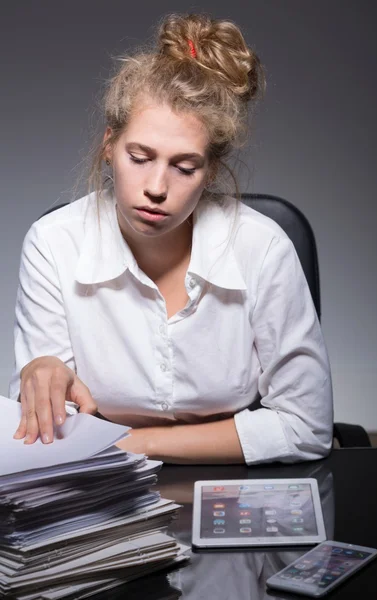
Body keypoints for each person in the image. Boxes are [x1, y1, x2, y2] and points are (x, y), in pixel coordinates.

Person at [9, 13, 333, 464]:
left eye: (185, 167)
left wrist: (134, 445)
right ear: (109, 144)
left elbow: (307, 427)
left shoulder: (263, 247)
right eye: (139, 157)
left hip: (227, 481)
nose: (157, 187)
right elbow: (49, 430)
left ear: (212, 170)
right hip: (100, 489)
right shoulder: (53, 243)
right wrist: (42, 373)